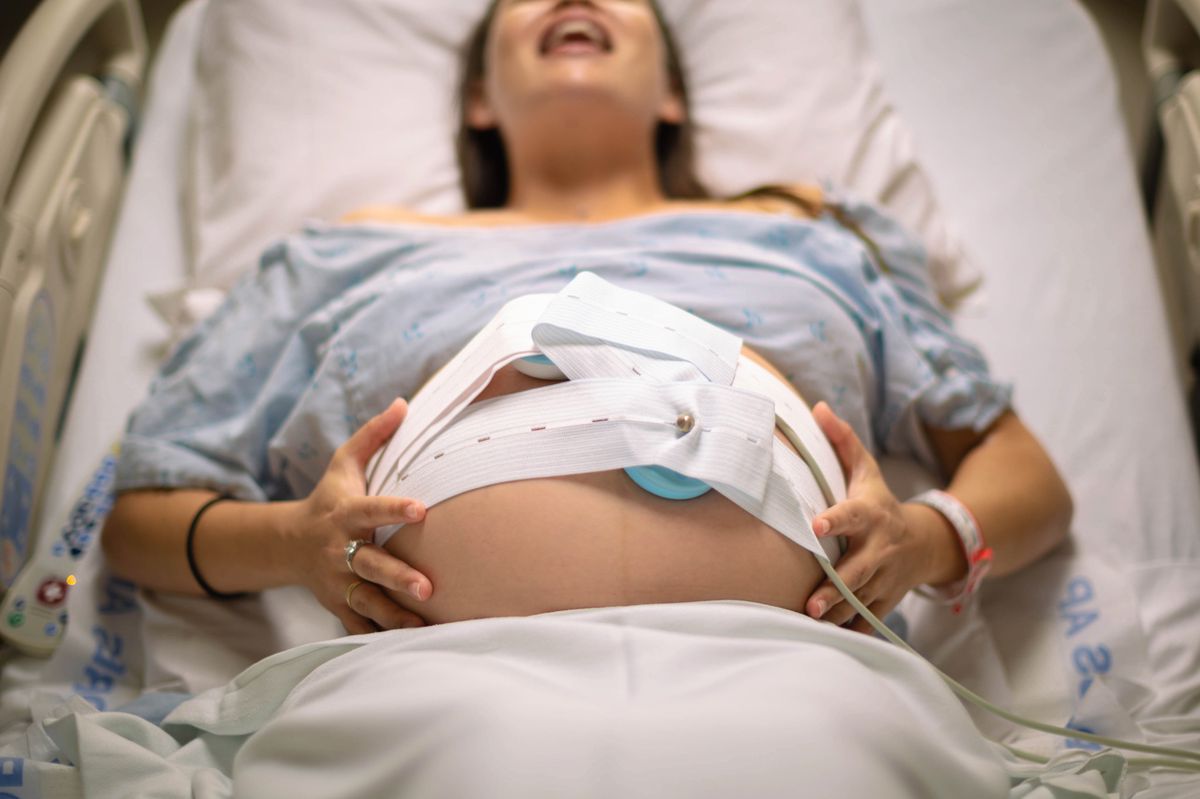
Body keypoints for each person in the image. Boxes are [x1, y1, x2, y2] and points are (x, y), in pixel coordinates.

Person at [101, 0, 1072, 637]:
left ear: (674, 94)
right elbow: (139, 517)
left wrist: (925, 538)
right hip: (427, 691)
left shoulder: (808, 231)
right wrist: (290, 544)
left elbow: (1026, 472)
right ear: (479, 100)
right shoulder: (345, 251)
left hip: (805, 678)